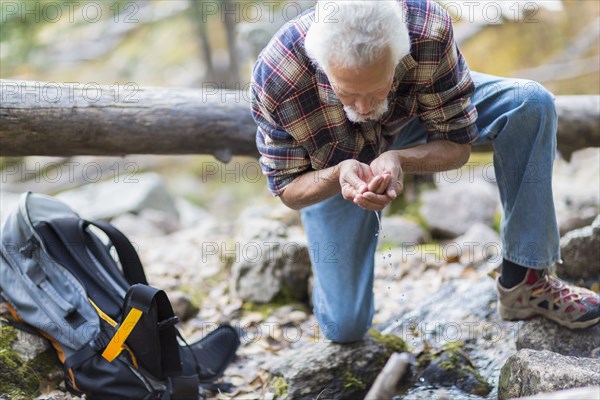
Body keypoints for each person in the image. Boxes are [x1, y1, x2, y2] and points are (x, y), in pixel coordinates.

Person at [250, 0, 599, 343]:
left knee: (530, 103)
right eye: (347, 93)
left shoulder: (426, 28)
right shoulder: (278, 75)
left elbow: (457, 144)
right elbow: (287, 188)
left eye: (376, 89)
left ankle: (526, 278)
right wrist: (339, 173)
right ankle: (326, 282)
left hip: (412, 125)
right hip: (333, 170)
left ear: (399, 53)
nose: (365, 107)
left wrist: (402, 159)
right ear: (322, 65)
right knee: (345, 328)